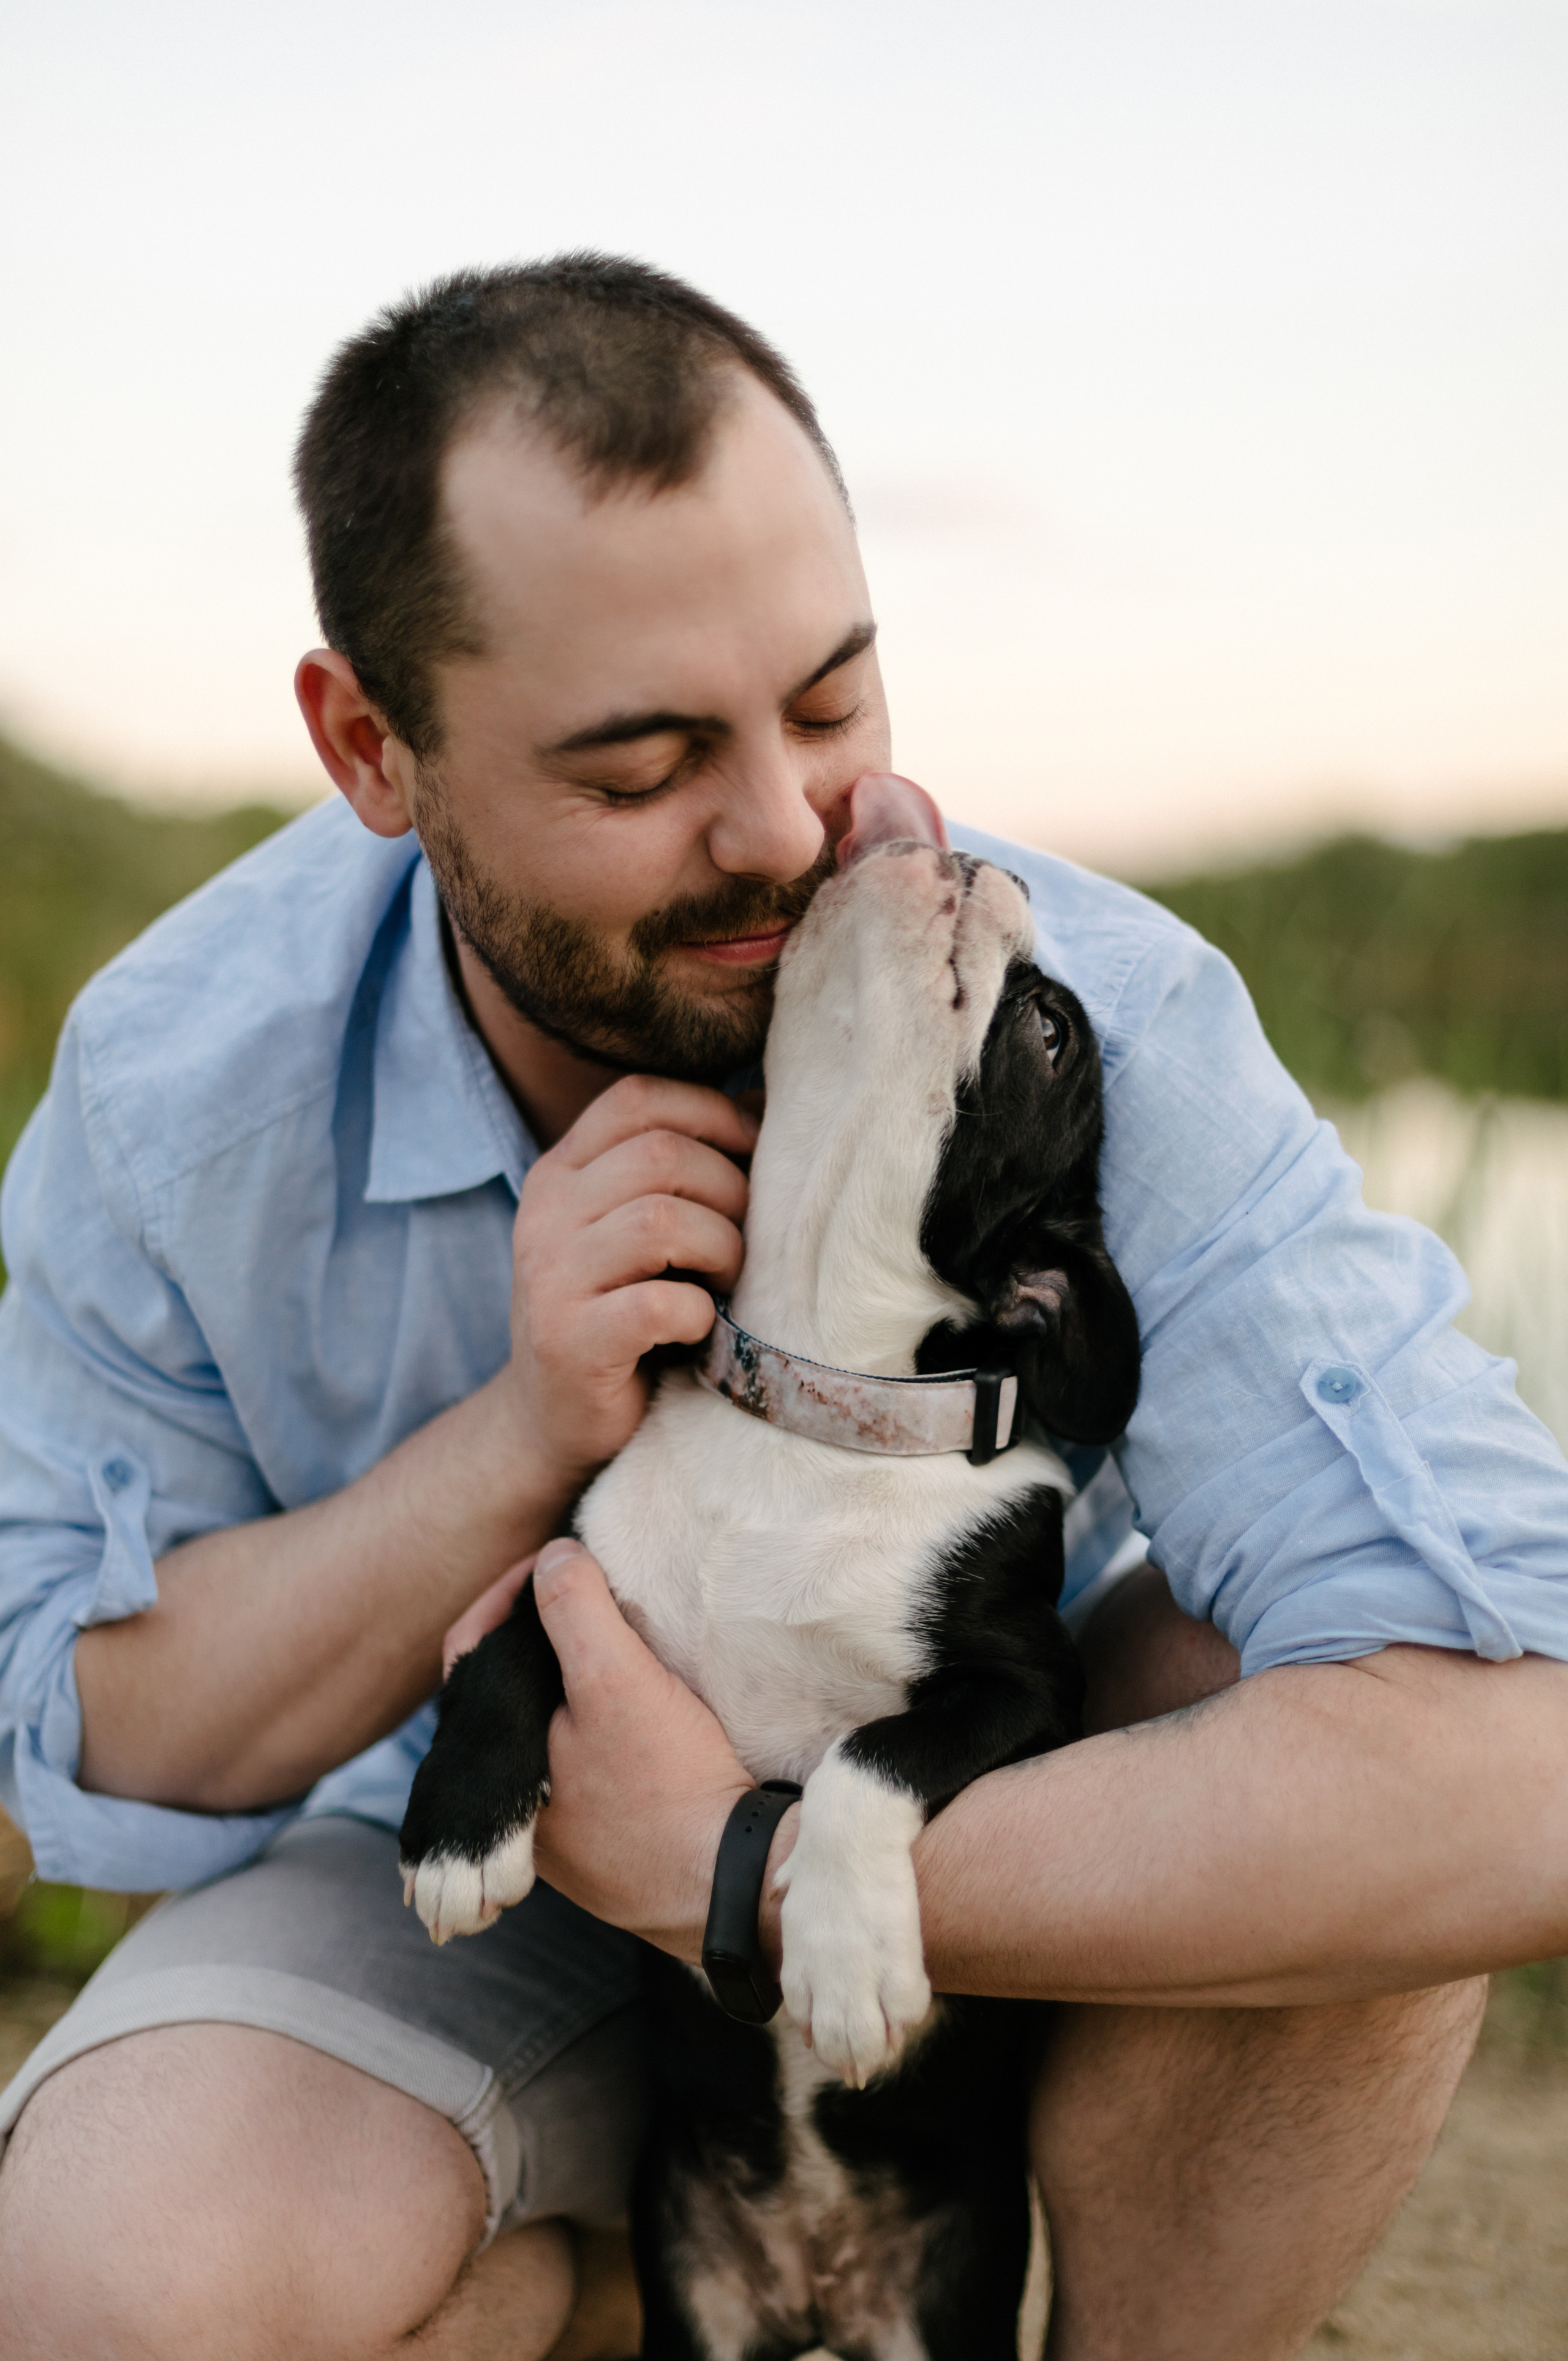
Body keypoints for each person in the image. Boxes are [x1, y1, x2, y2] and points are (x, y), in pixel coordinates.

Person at [0, 254, 1564, 2361]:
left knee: (1331, 1683)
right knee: (109, 2282)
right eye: (641, 768)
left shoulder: (1079, 1019)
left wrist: (747, 1867)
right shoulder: (182, 1082)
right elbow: (73, 1728)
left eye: (831, 703)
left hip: (983, 1891)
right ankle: (588, 2285)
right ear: (375, 746)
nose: (786, 829)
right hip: (448, 1870)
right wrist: (518, 1440)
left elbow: (1530, 1748)